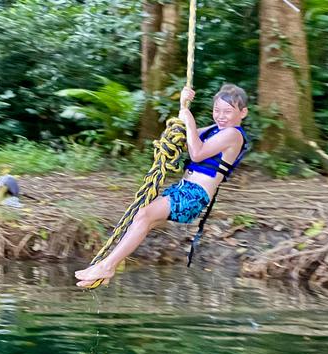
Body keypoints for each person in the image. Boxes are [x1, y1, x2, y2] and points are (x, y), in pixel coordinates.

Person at [75, 83, 249, 287]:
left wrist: (189, 117)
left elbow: (197, 152)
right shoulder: (213, 130)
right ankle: (105, 270)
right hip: (183, 189)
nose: (220, 116)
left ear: (243, 113)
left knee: (143, 216)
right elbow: (185, 137)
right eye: (216, 110)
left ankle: (108, 266)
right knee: (141, 218)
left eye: (227, 112)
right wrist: (183, 108)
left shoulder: (234, 134)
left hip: (194, 195)